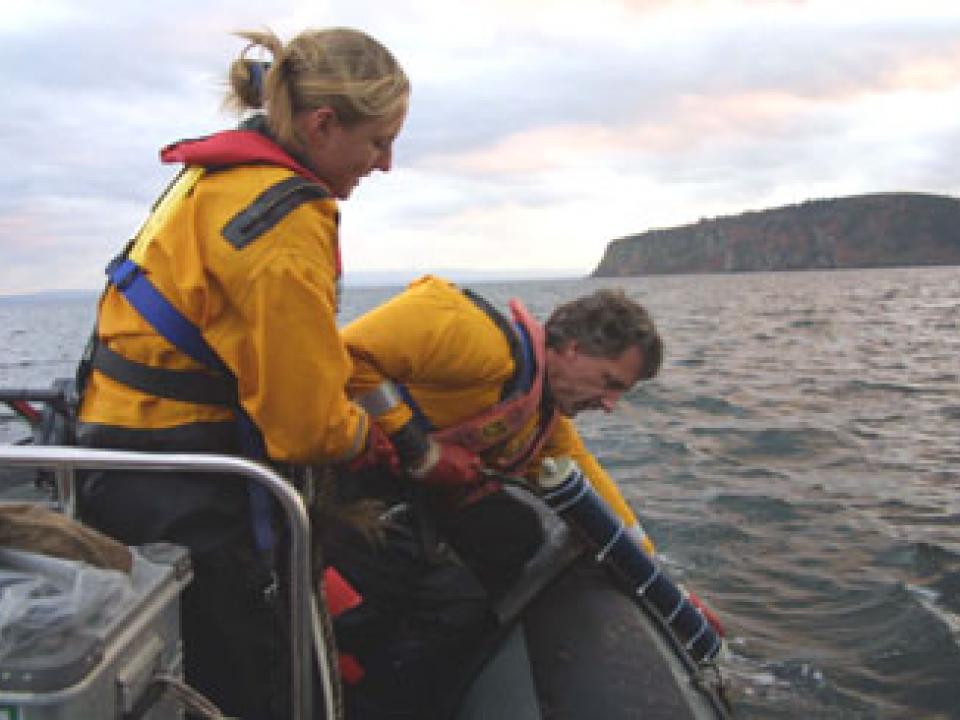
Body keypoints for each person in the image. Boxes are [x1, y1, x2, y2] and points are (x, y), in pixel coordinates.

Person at [74, 27, 409, 720]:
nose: (385, 165)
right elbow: (306, 426)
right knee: (248, 682)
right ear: (322, 125)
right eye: (378, 141)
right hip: (193, 490)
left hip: (115, 465)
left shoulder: (214, 180)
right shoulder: (284, 223)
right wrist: (367, 439)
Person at [324, 275, 685, 717]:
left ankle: (411, 675)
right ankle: (362, 693)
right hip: (333, 481)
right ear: (573, 349)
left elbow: (601, 495)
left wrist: (658, 581)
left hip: (399, 495)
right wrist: (420, 448)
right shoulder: (469, 336)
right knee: (450, 600)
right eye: (609, 382)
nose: (609, 403)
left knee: (512, 532)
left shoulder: (541, 419)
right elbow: (344, 354)